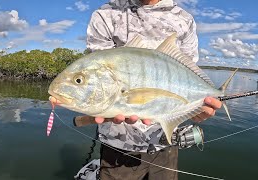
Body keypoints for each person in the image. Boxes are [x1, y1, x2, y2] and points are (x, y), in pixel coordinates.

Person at [77, 0, 222, 179]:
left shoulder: (184, 20)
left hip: (166, 144)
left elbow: (188, 70)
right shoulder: (106, 14)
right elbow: (96, 69)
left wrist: (196, 108)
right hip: (118, 147)